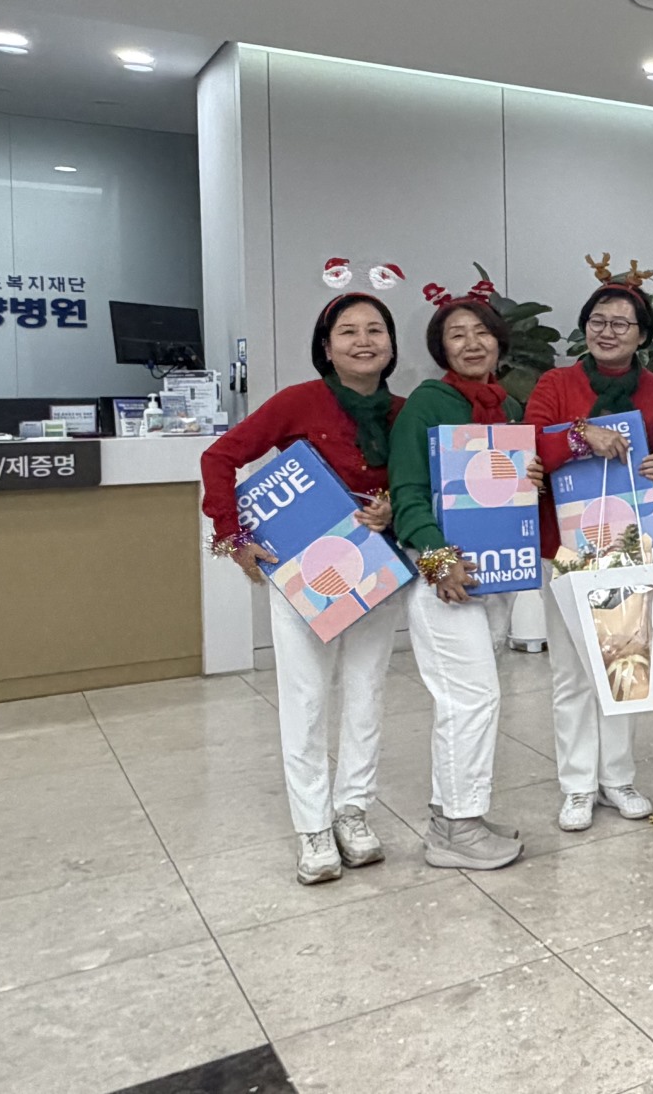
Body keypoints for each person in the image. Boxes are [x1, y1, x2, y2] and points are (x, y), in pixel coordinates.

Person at [200, 294, 406, 886]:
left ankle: (353, 811)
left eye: (375, 330)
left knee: (367, 692)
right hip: (303, 576)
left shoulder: (405, 411)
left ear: (391, 344)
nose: (363, 341)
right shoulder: (298, 402)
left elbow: (420, 484)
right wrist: (233, 536)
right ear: (326, 347)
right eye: (348, 332)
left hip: (373, 571)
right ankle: (313, 826)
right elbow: (219, 456)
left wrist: (394, 507)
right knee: (306, 698)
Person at [388, 289, 535, 872]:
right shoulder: (426, 406)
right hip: (443, 580)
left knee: (468, 699)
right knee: (471, 698)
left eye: (481, 332)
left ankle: (451, 815)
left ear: (498, 341)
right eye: (457, 335)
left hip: (493, 575)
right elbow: (407, 495)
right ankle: (457, 828)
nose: (472, 344)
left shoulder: (508, 406)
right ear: (441, 349)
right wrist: (436, 561)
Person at [525, 279, 653, 831]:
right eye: (597, 322)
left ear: (642, 336)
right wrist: (580, 436)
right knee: (570, 672)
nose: (607, 332)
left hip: (630, 547)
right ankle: (577, 785)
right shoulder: (556, 382)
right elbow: (527, 445)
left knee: (623, 665)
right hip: (566, 547)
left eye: (620, 324)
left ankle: (617, 777)